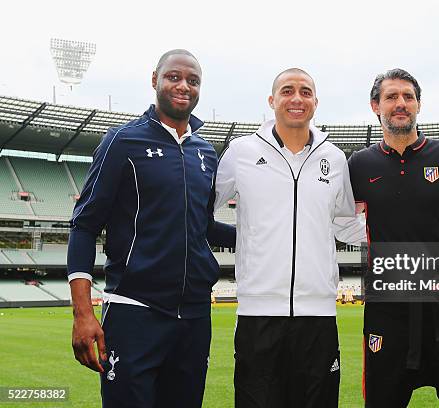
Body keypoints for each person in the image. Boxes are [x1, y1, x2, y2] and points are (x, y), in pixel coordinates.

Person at [67, 49, 235, 408]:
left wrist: (272, 233)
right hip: (134, 311)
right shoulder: (122, 141)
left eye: (193, 80)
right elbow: (84, 226)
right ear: (154, 79)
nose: (183, 86)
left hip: (194, 317)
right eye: (174, 77)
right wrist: (83, 313)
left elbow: (202, 227)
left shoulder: (205, 152)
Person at [214, 68, 365, 408]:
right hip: (258, 314)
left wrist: (404, 226)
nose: (296, 98)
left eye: (305, 91)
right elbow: (201, 209)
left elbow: (344, 223)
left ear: (315, 102)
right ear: (272, 100)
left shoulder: (335, 159)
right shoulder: (241, 152)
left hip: (319, 316)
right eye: (287, 90)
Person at [348, 68, 439, 407]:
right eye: (391, 97)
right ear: (375, 106)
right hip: (388, 312)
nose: (401, 103)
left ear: (418, 105)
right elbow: (334, 221)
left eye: (408, 97)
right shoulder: (358, 165)